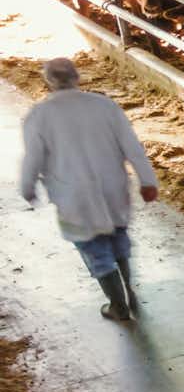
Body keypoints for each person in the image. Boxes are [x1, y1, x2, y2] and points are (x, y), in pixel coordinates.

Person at [17, 57, 157, 321]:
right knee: (118, 239)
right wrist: (148, 181)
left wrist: (27, 187)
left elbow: (32, 158)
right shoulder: (104, 106)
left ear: (47, 81)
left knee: (94, 248)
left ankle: (118, 304)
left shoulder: (39, 115)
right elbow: (132, 147)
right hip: (112, 186)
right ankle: (128, 289)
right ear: (77, 77)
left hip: (73, 194)